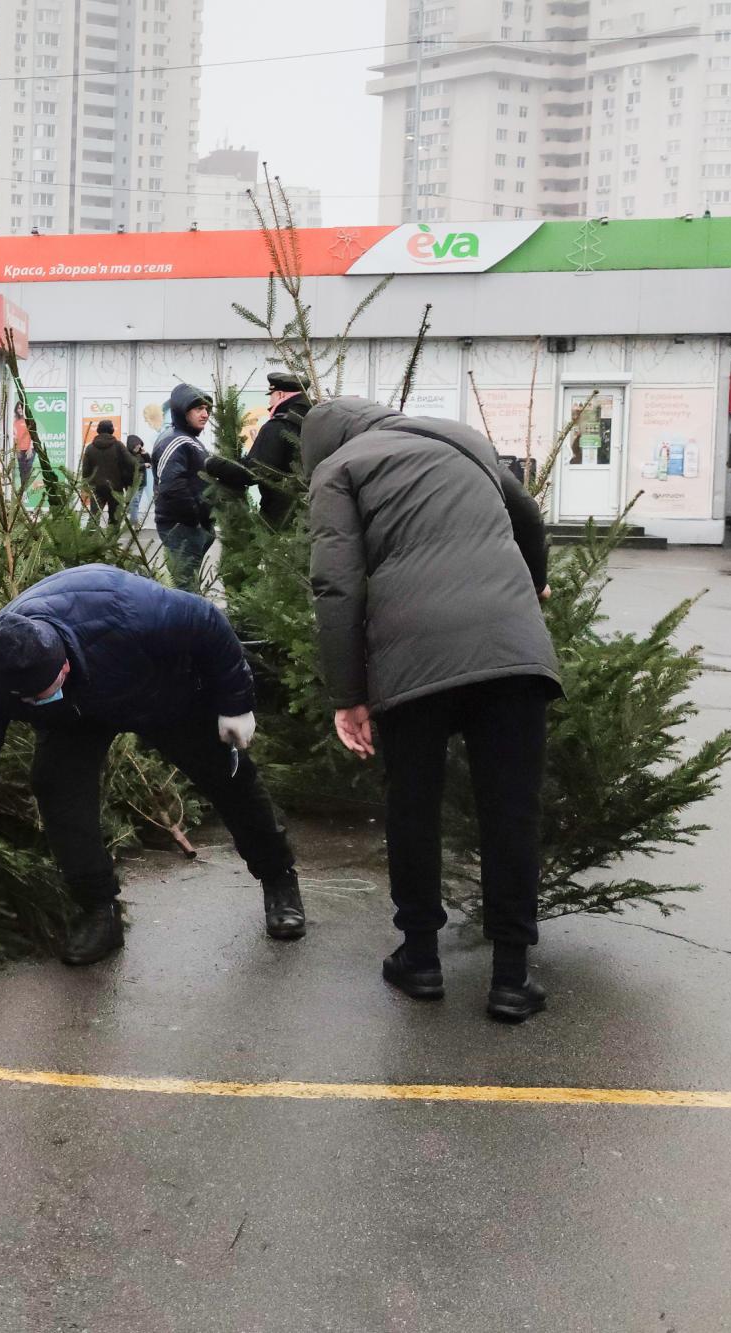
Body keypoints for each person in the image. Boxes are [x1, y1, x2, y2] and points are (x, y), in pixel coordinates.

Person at [303, 398, 562, 1023]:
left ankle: (419, 958)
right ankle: (510, 977)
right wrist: (533, 581)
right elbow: (524, 509)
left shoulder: (338, 470)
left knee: (412, 806)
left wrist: (348, 694)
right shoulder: (461, 437)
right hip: (512, 650)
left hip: (410, 660)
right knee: (511, 812)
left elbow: (336, 584)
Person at [0, 565, 306, 965]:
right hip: (75, 720)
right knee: (56, 787)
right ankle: (99, 910)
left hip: (158, 690)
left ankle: (279, 880)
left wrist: (236, 704)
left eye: (46, 691)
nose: (36, 701)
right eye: (29, 699)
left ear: (63, 664)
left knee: (228, 776)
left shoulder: (130, 609)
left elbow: (207, 621)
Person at [151, 384, 253, 581]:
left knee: (189, 585)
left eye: (207, 409)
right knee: (185, 587)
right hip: (181, 527)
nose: (205, 414)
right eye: (198, 409)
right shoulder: (176, 442)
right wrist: (195, 519)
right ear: (182, 411)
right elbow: (172, 488)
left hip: (193, 527)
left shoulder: (190, 441)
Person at [244, 371, 314, 528]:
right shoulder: (316, 421)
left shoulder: (277, 426)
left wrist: (220, 467)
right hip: (314, 513)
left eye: (271, 395)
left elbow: (257, 469)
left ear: (281, 395)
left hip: (280, 518)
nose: (270, 401)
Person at [78, 419, 132, 525]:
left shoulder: (90, 448)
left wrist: (85, 486)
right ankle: (112, 540)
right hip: (115, 487)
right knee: (115, 518)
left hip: (96, 488)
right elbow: (130, 463)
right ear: (112, 430)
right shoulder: (118, 446)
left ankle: (91, 540)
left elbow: (85, 470)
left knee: (94, 518)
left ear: (98, 430)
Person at [12, 404, 35, 490]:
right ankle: (23, 491)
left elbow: (33, 434)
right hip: (19, 449)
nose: (20, 410)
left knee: (28, 467)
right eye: (18, 408)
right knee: (22, 470)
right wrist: (16, 448)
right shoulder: (15, 421)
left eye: (21, 408)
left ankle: (26, 488)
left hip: (30, 449)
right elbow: (14, 436)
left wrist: (30, 448)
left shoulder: (29, 420)